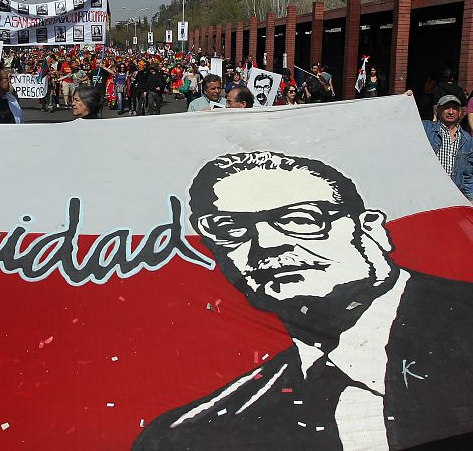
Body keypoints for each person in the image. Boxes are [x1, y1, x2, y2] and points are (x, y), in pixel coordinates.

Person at [135, 150, 473, 450]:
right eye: (229, 227)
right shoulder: (195, 433)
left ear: (370, 229)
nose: (265, 244)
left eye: (299, 219)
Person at [422, 94, 473, 200]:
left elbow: (468, 175)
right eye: (446, 108)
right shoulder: (426, 129)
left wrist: (470, 199)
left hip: (453, 195)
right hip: (427, 192)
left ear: (460, 112)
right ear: (437, 110)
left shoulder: (468, 140)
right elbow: (403, 122)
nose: (450, 112)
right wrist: (404, 99)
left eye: (454, 108)